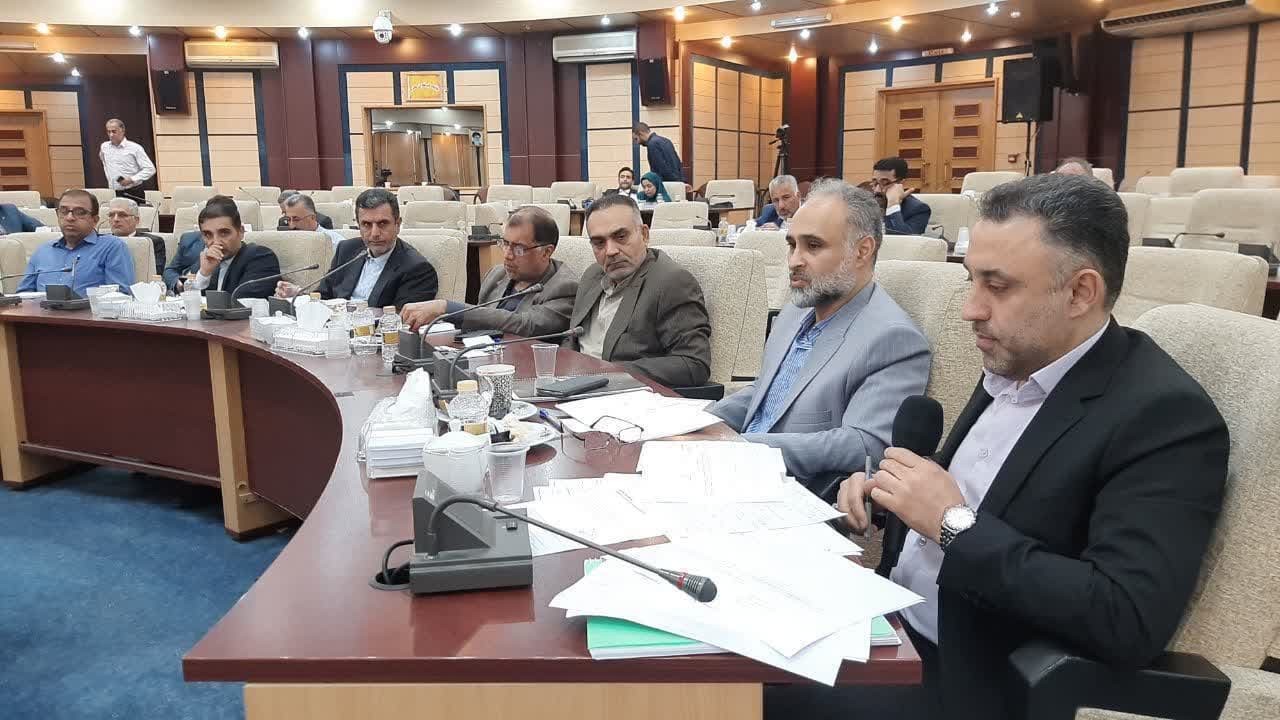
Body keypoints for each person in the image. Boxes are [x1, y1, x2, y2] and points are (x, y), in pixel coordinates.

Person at [768, 174, 1230, 720]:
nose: (971, 309)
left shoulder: (1164, 417)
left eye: (998, 286)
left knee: (730, 692)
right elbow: (992, 496)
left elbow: (1123, 617)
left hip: (971, 675)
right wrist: (892, 495)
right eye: (972, 281)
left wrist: (950, 523)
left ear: (1081, 292)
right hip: (886, 617)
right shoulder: (1018, 358)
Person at [711, 179, 930, 485]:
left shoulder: (894, 339)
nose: (794, 261)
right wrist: (696, 423)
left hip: (789, 490)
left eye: (813, 246)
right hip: (726, 469)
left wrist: (739, 449)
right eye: (792, 245)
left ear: (862, 251)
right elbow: (766, 393)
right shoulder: (795, 310)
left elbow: (865, 444)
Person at [568, 194, 711, 388]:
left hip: (622, 393)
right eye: (599, 243)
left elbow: (694, 364)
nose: (610, 251)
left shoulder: (672, 282)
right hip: (571, 386)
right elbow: (572, 340)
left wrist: (608, 372)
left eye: (621, 237)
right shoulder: (592, 275)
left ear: (644, 235)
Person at [401, 205, 577, 336]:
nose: (507, 255)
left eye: (519, 249)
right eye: (505, 243)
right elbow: (479, 322)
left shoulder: (565, 287)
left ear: (546, 252)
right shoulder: (497, 275)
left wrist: (446, 308)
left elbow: (525, 325)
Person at [275, 188, 436, 309]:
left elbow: (401, 321)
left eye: (382, 223)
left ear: (398, 224)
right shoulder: (347, 250)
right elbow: (324, 295)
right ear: (358, 225)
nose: (374, 233)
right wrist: (300, 294)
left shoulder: (417, 268)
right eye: (366, 224)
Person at [17, 189, 135, 295]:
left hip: (89, 312)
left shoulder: (111, 247)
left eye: (80, 212)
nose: (70, 218)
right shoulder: (43, 250)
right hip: (40, 311)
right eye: (64, 211)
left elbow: (120, 296)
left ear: (95, 220)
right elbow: (24, 295)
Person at [188, 195, 280, 299]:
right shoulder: (205, 262)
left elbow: (240, 303)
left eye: (224, 233)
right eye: (208, 235)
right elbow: (185, 298)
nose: (216, 242)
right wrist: (204, 274)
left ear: (241, 232)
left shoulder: (261, 257)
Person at [870, 157, 931, 236]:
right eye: (875, 183)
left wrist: (892, 204)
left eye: (885, 183)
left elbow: (902, 239)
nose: (877, 190)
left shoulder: (918, 209)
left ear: (901, 183)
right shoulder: (866, 202)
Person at [105, 197, 165, 276]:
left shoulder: (153, 242)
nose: (115, 219)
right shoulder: (102, 242)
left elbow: (155, 274)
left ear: (136, 220)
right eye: (111, 215)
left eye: (122, 215)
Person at [99, 119, 155, 203]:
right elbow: (104, 161)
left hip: (133, 191)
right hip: (114, 192)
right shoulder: (104, 147)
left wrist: (132, 179)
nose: (111, 135)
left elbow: (150, 169)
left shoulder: (135, 148)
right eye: (108, 132)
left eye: (114, 131)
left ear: (122, 131)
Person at [280, 193, 346, 248]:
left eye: (296, 219)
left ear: (313, 218)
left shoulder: (335, 244)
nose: (291, 226)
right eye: (288, 219)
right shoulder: (285, 243)